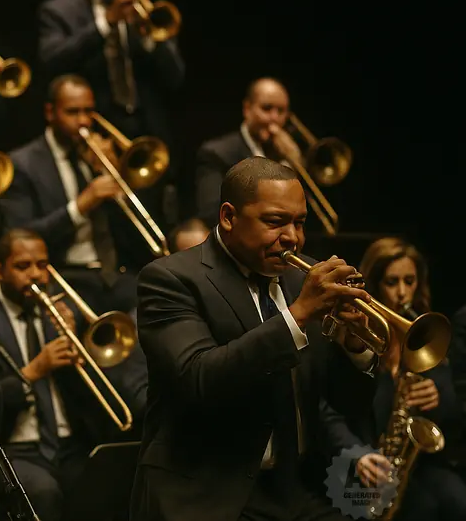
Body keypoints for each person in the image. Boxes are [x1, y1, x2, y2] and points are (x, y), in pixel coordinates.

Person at [131, 156, 378, 521]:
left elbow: (348, 403)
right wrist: (298, 315)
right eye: (275, 221)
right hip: (206, 490)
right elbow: (200, 378)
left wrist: (355, 345)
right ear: (229, 217)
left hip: (294, 488)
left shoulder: (300, 277)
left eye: (300, 223)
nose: (292, 237)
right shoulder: (170, 279)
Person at [0, 228, 147, 521]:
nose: (35, 275)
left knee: (119, 478)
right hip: (11, 448)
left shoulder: (61, 314)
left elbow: (94, 393)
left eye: (42, 265)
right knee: (43, 492)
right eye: (23, 266)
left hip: (69, 444)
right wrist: (32, 372)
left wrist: (77, 344)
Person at [321, 237, 466, 521]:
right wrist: (357, 455)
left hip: (417, 465)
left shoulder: (425, 335)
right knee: (419, 509)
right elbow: (328, 412)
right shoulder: (352, 335)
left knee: (457, 502)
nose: (403, 293)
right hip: (361, 459)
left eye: (410, 281)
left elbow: (453, 418)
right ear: (375, 285)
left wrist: (438, 396)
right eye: (392, 282)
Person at [0, 74, 148, 316]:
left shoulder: (97, 155)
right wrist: (81, 205)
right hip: (64, 275)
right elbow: (18, 238)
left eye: (89, 112)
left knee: (160, 309)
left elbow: (140, 230)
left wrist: (118, 176)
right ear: (50, 113)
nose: (83, 122)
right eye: (72, 112)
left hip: (114, 274)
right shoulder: (22, 164)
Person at [37, 0, 184, 147]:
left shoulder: (144, 11)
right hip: (92, 130)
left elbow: (175, 77)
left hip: (147, 130)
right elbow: (52, 61)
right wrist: (106, 23)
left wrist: (149, 38)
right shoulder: (59, 11)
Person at [195, 77, 297, 225]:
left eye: (281, 111)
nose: (274, 118)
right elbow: (211, 213)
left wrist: (294, 163)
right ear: (247, 109)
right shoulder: (216, 153)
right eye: (266, 108)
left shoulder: (286, 152)